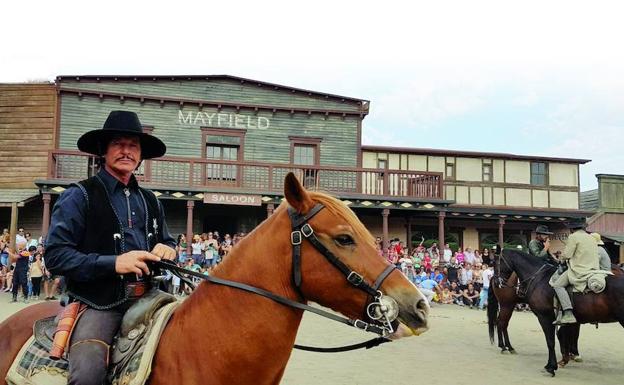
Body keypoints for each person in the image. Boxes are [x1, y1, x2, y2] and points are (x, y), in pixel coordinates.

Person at [45, 110, 177, 385]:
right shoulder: (78, 195)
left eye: (133, 146)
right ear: (103, 150)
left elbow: (167, 241)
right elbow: (55, 256)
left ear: (140, 155)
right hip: (99, 302)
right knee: (87, 375)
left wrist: (168, 248)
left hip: (152, 298)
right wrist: (113, 263)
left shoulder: (151, 200)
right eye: (118, 144)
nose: (126, 151)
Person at [549, 218, 597, 325]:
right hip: (594, 269)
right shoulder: (591, 237)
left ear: (572, 229)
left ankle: (568, 313)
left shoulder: (573, 237)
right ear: (583, 227)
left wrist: (561, 258)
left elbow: (567, 255)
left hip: (579, 270)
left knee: (557, 285)